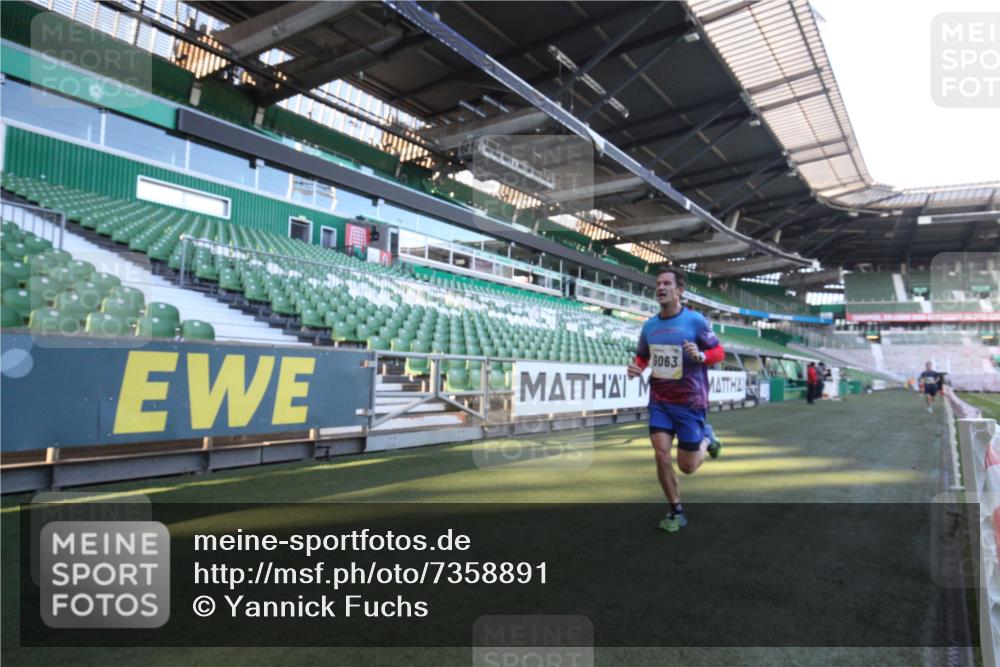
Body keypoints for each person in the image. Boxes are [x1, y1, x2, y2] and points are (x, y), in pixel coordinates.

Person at [627, 268, 725, 533]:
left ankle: (707, 438)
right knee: (661, 455)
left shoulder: (695, 321)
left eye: (667, 283)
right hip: (659, 399)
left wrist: (701, 356)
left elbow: (718, 351)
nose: (661, 287)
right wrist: (635, 368)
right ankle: (675, 510)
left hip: (690, 402)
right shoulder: (649, 326)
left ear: (679, 290)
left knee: (688, 466)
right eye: (658, 283)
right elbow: (642, 357)